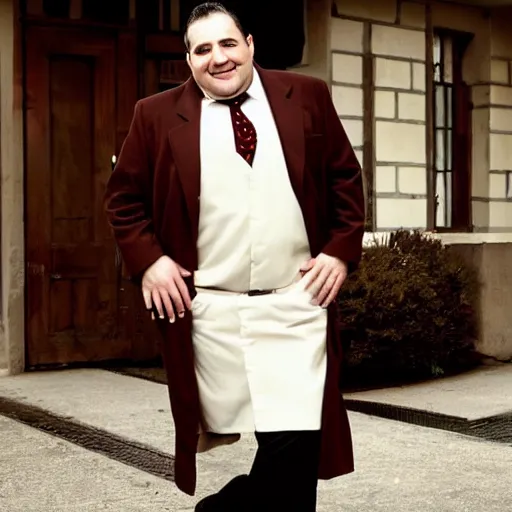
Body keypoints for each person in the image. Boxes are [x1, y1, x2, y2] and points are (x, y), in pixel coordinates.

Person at [104, 2, 365, 511]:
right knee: (281, 464)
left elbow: (344, 178)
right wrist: (150, 261)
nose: (217, 58)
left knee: (295, 441)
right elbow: (123, 198)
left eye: (227, 43)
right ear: (188, 59)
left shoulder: (306, 96)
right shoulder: (154, 116)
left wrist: (339, 251)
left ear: (249, 45)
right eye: (202, 49)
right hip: (212, 314)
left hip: (295, 306)